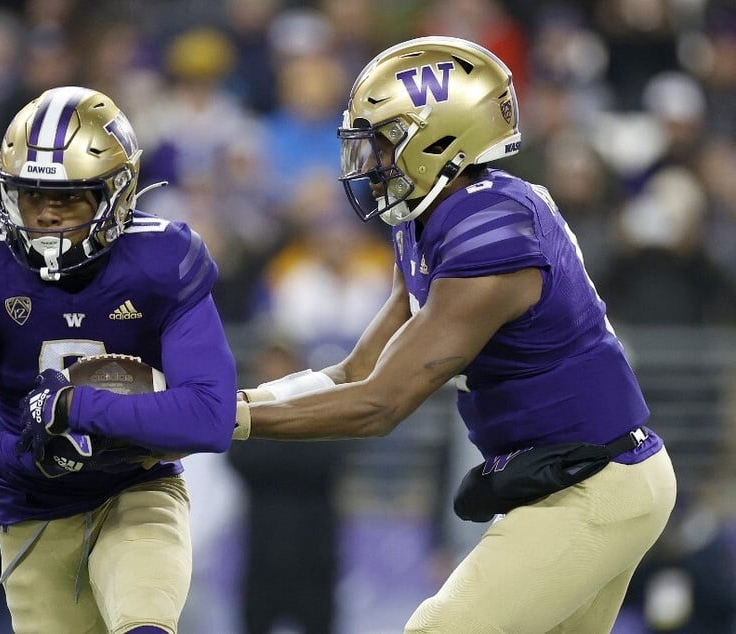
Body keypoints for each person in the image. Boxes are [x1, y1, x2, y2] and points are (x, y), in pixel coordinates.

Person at [232, 36, 677, 633]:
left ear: (438, 138)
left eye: (385, 141)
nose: (371, 162)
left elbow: (379, 403)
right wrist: (239, 403)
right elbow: (355, 370)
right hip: (573, 477)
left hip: (593, 482)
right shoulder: (437, 217)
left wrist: (225, 423)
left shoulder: (490, 232)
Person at [0, 86, 237, 634]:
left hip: (136, 488)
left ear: (116, 195)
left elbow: (209, 416)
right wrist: (25, 455)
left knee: (145, 624)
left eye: (67, 199)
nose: (45, 217)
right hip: (31, 508)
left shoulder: (163, 261)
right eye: (31, 196)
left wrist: (75, 408)